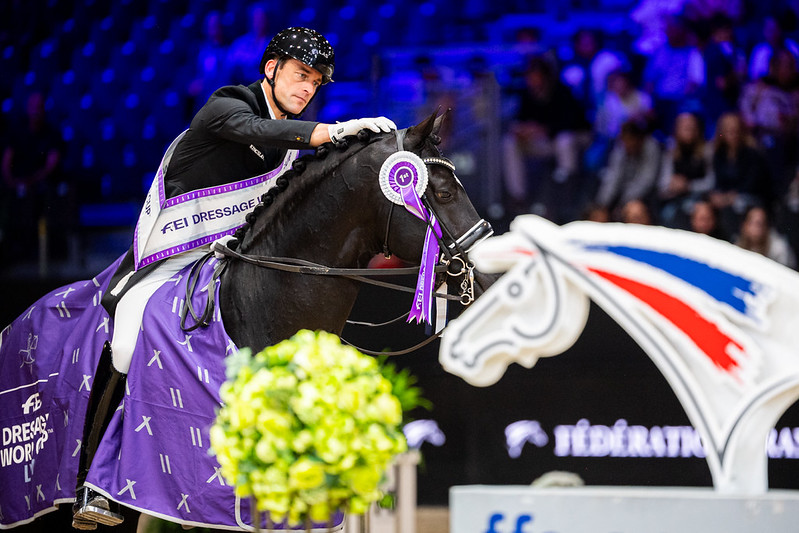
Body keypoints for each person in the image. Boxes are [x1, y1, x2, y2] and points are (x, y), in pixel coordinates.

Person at [72, 27, 397, 530]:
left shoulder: (288, 150)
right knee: (129, 335)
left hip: (226, 262)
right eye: (301, 74)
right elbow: (256, 130)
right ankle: (94, 484)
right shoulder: (226, 105)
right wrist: (332, 132)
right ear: (271, 68)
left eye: (315, 82)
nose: (307, 88)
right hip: (170, 256)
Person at [501, 55, 592, 221]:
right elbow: (520, 120)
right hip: (545, 143)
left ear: (545, 76)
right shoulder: (527, 94)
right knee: (510, 143)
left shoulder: (561, 91)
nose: (532, 80)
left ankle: (566, 189)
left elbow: (573, 122)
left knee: (564, 140)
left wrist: (544, 129)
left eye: (535, 75)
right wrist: (522, 130)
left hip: (575, 139)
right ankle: (518, 197)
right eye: (529, 76)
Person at [0, 91, 64, 263]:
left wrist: (32, 181)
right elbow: (6, 161)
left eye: (39, 107)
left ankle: (43, 250)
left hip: (41, 185)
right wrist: (12, 182)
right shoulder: (17, 132)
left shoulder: (52, 134)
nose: (36, 111)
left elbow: (52, 164)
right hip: (17, 184)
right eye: (33, 107)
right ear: (27, 109)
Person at [707, 111, 770, 237]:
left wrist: (729, 197)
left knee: (734, 207)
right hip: (726, 198)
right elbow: (718, 183)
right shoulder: (719, 154)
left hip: (750, 198)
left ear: (741, 130)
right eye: (728, 129)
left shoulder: (753, 153)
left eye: (735, 129)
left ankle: (735, 241)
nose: (732, 133)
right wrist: (718, 196)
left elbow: (752, 185)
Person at [594, 119, 661, 219]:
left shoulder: (651, 148)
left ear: (639, 138)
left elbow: (646, 181)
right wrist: (602, 204)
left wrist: (623, 203)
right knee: (598, 214)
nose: (627, 145)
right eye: (625, 141)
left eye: (630, 140)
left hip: (647, 197)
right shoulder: (621, 149)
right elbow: (613, 178)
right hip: (621, 196)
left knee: (634, 210)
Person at [657, 112, 714, 229]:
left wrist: (688, 186)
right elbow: (663, 183)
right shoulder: (671, 150)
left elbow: (711, 182)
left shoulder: (707, 150)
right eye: (684, 127)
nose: (688, 130)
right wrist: (672, 184)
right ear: (677, 129)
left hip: (699, 198)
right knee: (668, 214)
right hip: (675, 199)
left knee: (701, 213)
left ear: (698, 129)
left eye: (691, 126)